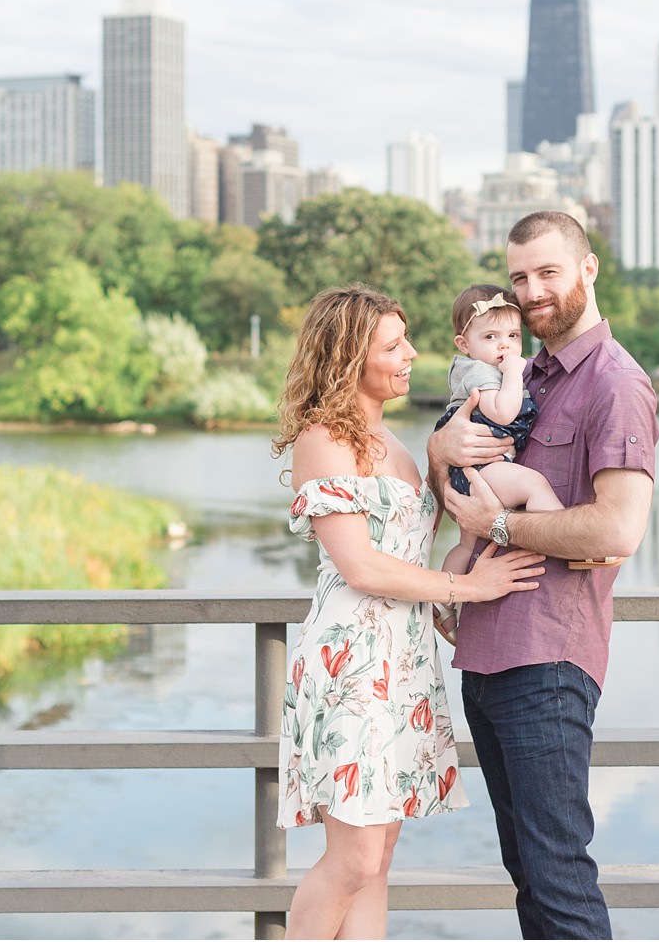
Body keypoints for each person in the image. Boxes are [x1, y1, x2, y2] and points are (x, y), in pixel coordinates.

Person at [273, 282, 547, 941]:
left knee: (380, 858)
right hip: (352, 661)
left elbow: (434, 518)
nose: (411, 354)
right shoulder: (323, 439)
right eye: (393, 345)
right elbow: (361, 565)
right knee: (355, 856)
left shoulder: (394, 442)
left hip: (403, 660)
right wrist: (471, 590)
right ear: (348, 358)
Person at [428, 212, 658, 941]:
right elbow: (461, 482)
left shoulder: (615, 383)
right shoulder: (519, 375)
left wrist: (498, 527)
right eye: (519, 276)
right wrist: (440, 446)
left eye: (548, 272)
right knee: (527, 868)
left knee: (558, 873)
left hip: (549, 660)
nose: (531, 291)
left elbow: (617, 529)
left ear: (587, 270)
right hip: (488, 653)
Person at [432, 283, 563, 644]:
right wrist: (514, 373)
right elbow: (503, 413)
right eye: (490, 336)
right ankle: (558, 541)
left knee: (465, 545)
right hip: (479, 470)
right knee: (534, 484)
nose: (504, 345)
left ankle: (444, 601)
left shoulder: (485, 366)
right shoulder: (480, 372)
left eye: (512, 335)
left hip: (472, 472)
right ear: (465, 344)